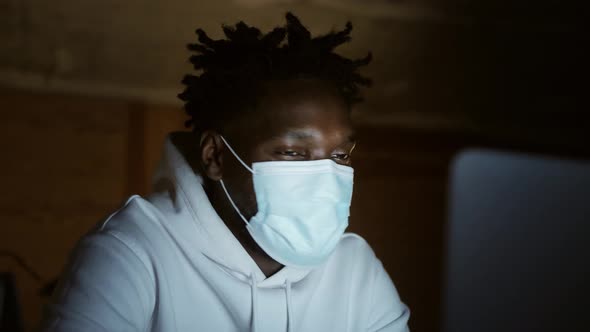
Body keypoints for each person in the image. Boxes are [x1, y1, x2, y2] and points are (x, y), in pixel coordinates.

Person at [42, 12, 410, 332]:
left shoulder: (355, 268)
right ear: (215, 156)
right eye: (293, 152)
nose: (324, 175)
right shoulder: (131, 254)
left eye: (340, 155)